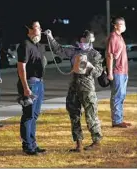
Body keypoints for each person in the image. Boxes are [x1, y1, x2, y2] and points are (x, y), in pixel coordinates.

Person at [45, 29, 103, 152]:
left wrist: (90, 66)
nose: (83, 43)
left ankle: (96, 141)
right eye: (81, 41)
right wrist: (50, 36)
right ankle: (79, 143)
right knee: (74, 114)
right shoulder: (74, 51)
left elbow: (98, 72)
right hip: (74, 86)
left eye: (85, 41)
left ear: (90, 41)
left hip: (87, 86)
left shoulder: (95, 54)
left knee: (91, 113)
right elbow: (58, 49)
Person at [17, 20, 47, 155]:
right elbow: (21, 67)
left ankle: (33, 143)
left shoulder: (40, 46)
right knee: (28, 115)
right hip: (30, 83)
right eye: (36, 27)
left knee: (35, 115)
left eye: (40, 27)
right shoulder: (25, 45)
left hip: (40, 83)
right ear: (28, 29)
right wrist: (25, 87)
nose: (39, 30)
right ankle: (27, 145)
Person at [106, 17, 132, 128]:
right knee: (117, 96)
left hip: (123, 71)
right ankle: (116, 121)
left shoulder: (119, 36)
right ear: (116, 25)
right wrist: (110, 72)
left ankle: (119, 119)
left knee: (121, 96)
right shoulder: (113, 37)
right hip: (117, 71)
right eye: (121, 24)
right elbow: (109, 56)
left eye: (124, 24)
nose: (123, 26)